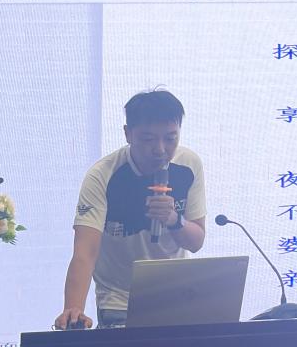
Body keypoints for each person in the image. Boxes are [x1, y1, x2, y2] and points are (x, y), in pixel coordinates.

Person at [54, 89, 206, 329]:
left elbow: (196, 241)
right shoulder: (102, 175)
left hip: (175, 296)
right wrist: (74, 309)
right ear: (128, 134)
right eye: (148, 139)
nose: (160, 149)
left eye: (170, 138)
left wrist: (173, 219)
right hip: (119, 300)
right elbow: (85, 251)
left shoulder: (189, 165)